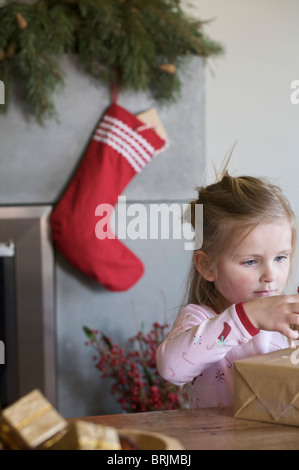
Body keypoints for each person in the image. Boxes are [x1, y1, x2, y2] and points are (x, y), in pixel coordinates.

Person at [156, 170, 299, 408]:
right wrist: (248, 316)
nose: (270, 276)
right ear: (207, 266)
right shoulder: (200, 318)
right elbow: (171, 369)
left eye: (280, 258)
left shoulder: (288, 317)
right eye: (250, 262)